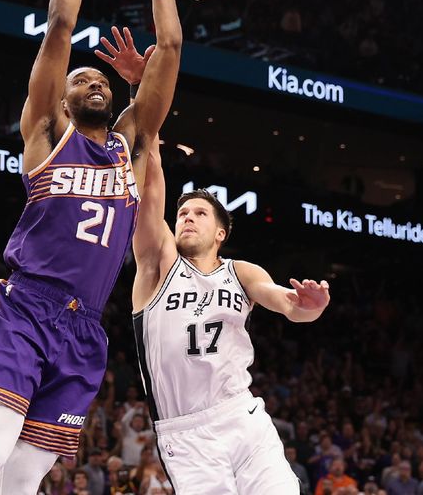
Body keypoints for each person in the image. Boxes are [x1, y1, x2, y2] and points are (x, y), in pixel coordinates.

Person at [0, 0, 180, 494]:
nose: (93, 81)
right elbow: (61, 28)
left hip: (85, 332)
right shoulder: (47, 134)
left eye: (101, 79)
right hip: (26, 308)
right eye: (81, 78)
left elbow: (169, 51)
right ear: (61, 98)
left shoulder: (134, 146)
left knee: (21, 479)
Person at [96, 28, 329, 494]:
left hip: (241, 415)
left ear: (220, 232)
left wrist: (311, 306)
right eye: (182, 212)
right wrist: (141, 93)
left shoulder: (241, 272)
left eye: (199, 213)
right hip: (186, 431)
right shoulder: (157, 263)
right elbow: (150, 177)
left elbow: (287, 305)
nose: (186, 217)